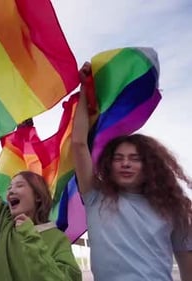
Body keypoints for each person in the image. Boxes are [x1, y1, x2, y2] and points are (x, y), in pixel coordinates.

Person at [72, 62, 192, 281]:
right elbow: (79, 144)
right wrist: (83, 91)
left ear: (150, 167)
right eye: (118, 158)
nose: (125, 163)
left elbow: (187, 264)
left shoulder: (173, 208)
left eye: (135, 159)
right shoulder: (95, 196)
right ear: (109, 165)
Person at [0, 141, 81, 281]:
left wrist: (29, 234)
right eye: (9, 188)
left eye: (19, 185)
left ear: (38, 196)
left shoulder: (58, 239)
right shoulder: (4, 224)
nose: (11, 190)